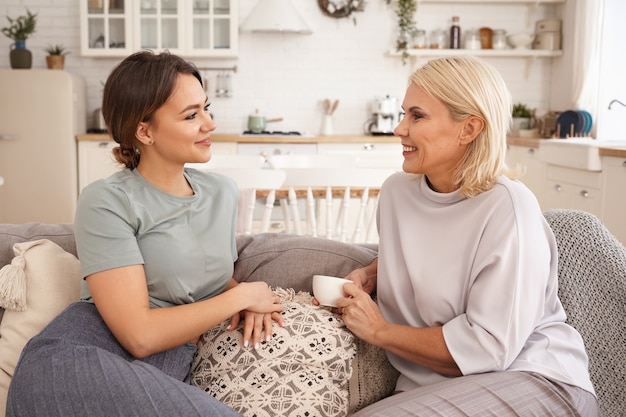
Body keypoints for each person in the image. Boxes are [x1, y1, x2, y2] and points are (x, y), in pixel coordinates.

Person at [7, 51, 283, 417]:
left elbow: (201, 277)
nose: (210, 124)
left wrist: (248, 297)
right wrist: (242, 296)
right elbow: (140, 335)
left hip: (167, 362)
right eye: (191, 115)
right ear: (144, 131)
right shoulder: (106, 200)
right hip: (78, 357)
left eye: (206, 108)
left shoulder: (222, 192)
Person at [335, 56, 598, 416]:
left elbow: (489, 348)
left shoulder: (508, 206)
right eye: (403, 114)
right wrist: (372, 273)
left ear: (469, 128)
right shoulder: (397, 193)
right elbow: (437, 254)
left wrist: (379, 331)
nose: (399, 129)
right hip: (439, 387)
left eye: (417, 115)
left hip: (532, 378)